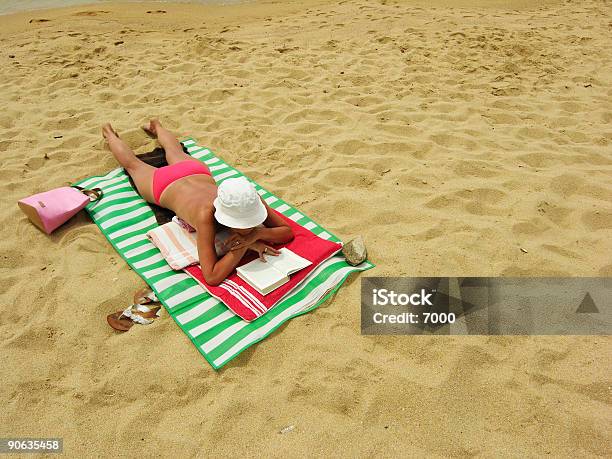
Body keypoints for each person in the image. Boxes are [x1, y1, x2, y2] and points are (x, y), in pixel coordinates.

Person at [102, 119, 294, 286]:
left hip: (195, 172)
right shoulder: (206, 216)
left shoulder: (249, 198)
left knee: (171, 151)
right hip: (164, 185)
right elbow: (211, 275)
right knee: (133, 165)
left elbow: (288, 232)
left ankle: (156, 126)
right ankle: (110, 134)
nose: (250, 227)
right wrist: (242, 246)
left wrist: (257, 234)